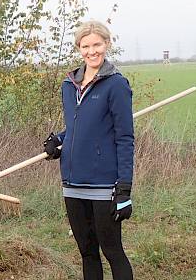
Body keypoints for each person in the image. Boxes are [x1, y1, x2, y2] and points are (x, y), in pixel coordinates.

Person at [43, 20, 134, 280]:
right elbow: (77, 127)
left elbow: (125, 137)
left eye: (97, 44)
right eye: (86, 46)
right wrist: (59, 141)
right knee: (87, 253)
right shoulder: (68, 85)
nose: (92, 51)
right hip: (72, 182)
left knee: (112, 250)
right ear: (79, 48)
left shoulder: (116, 84)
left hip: (104, 185)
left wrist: (124, 187)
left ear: (106, 44)